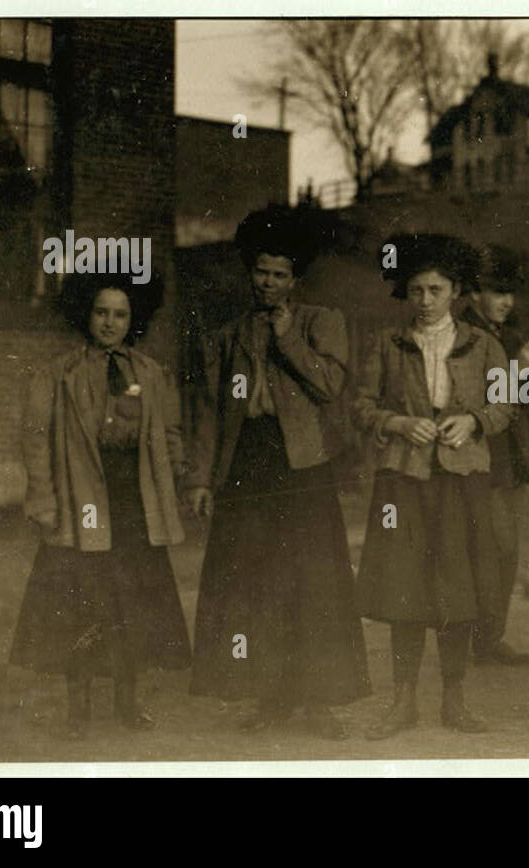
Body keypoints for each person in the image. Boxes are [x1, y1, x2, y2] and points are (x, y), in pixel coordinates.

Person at [186, 203, 370, 738]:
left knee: (314, 584)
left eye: (279, 274)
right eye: (261, 272)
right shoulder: (226, 336)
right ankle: (270, 697)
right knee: (253, 583)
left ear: (296, 278)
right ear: (250, 272)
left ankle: (317, 701)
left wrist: (288, 336)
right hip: (246, 465)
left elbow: (329, 386)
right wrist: (199, 477)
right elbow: (208, 413)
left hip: (304, 467)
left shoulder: (322, 322)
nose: (268, 283)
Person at [12, 272, 190, 739]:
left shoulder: (151, 374)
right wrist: (44, 500)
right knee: (81, 606)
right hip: (80, 504)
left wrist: (173, 481)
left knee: (130, 605)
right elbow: (36, 442)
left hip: (134, 502)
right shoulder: (57, 375)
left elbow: (170, 436)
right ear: (85, 314)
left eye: (120, 314)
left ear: (134, 319)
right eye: (100, 312)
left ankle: (128, 705)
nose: (110, 323)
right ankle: (78, 713)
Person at [354, 232, 516, 739]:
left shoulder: (483, 343)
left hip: (462, 479)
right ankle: (403, 702)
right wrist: (399, 424)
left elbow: (507, 404)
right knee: (406, 588)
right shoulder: (387, 343)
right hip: (404, 480)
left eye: (436, 290)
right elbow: (359, 406)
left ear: (456, 292)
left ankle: (455, 700)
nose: (425, 301)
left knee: (457, 589)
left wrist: (474, 422)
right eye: (417, 291)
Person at [457, 243, 529, 665]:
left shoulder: (509, 335)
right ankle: (475, 639)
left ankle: (488, 638)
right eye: (497, 292)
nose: (506, 302)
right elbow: (473, 399)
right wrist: (519, 371)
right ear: (474, 292)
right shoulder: (459, 335)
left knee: (505, 551)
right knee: (483, 549)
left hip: (509, 462)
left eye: (511, 293)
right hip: (474, 459)